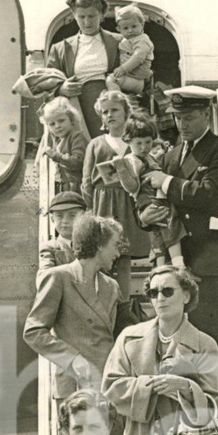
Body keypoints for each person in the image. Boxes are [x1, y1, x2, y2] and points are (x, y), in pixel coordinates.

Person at [102, 264, 218, 435]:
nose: (159, 298)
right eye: (153, 293)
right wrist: (150, 385)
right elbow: (111, 388)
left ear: (186, 295)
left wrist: (187, 388)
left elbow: (215, 405)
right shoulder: (128, 338)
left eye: (167, 291)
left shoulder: (204, 344)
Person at [139, 85, 218, 371]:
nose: (181, 125)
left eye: (189, 118)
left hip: (206, 258)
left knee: (212, 333)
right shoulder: (170, 156)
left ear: (206, 114)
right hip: (174, 260)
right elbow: (151, 197)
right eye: (177, 118)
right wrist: (145, 217)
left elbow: (211, 194)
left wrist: (167, 182)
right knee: (176, 338)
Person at [23, 213, 123, 409]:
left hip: (106, 385)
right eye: (115, 245)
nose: (118, 253)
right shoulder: (58, 278)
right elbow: (33, 332)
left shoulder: (111, 286)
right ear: (100, 245)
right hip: (75, 386)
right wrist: (73, 359)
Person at [81, 89, 152, 303]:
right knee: (103, 255)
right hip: (104, 203)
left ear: (126, 112)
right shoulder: (96, 143)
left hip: (128, 202)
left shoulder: (135, 142)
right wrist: (93, 208)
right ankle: (103, 302)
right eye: (104, 112)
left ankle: (123, 304)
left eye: (114, 110)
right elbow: (86, 181)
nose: (109, 115)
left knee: (124, 258)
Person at [47, 0, 122, 136]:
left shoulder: (119, 42)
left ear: (101, 15)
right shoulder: (59, 48)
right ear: (74, 15)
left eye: (92, 16)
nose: (87, 22)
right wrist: (61, 89)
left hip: (114, 108)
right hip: (78, 110)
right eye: (81, 17)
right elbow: (46, 86)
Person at [120, 112, 185, 267]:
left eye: (148, 142)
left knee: (157, 231)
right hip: (148, 196)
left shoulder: (148, 156)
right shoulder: (132, 161)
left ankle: (161, 266)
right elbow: (132, 187)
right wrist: (122, 171)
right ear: (128, 141)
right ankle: (178, 261)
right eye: (139, 143)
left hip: (153, 195)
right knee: (170, 221)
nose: (144, 147)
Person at [37, 190, 87, 286]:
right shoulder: (49, 248)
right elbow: (44, 277)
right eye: (59, 216)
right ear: (52, 219)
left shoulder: (93, 245)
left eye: (72, 216)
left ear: (83, 217)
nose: (65, 221)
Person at [41, 96, 90, 192]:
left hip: (77, 185)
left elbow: (77, 162)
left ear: (71, 120)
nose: (57, 126)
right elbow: (41, 115)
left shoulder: (76, 136)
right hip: (63, 184)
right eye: (52, 124)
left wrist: (55, 156)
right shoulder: (60, 138)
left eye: (61, 121)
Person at [106, 3, 154, 96]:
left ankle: (117, 98)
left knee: (110, 80)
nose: (130, 30)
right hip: (131, 77)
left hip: (136, 80)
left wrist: (123, 69)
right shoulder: (127, 39)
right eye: (125, 28)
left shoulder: (142, 40)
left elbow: (138, 57)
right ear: (119, 29)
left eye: (134, 26)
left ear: (142, 24)